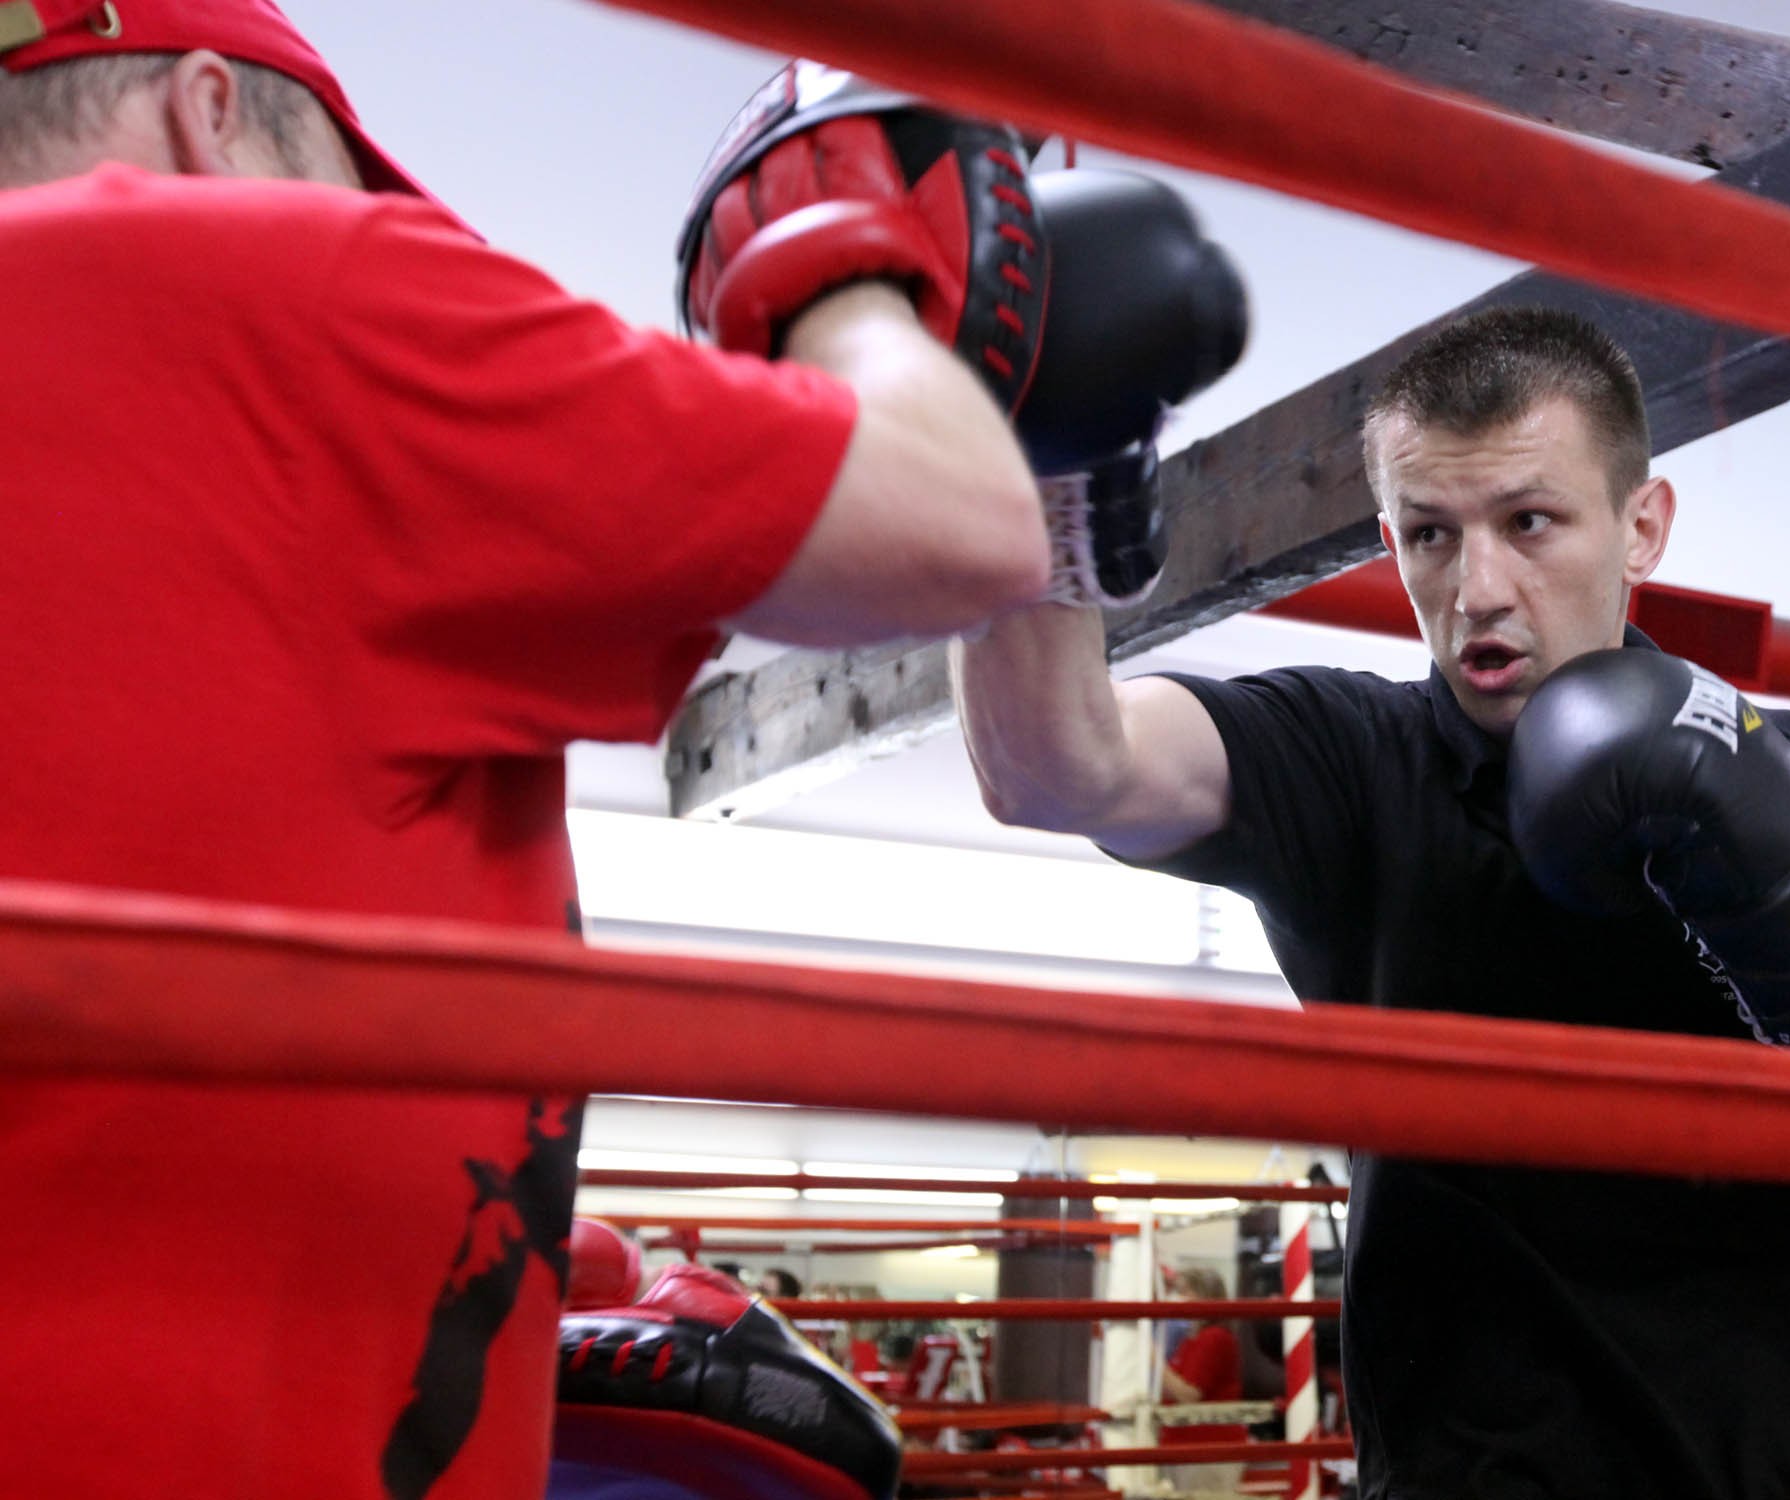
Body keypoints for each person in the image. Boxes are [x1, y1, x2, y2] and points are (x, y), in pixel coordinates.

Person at [0, 6, 1058, 1498]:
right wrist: (845, 264)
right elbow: (948, 522)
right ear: (209, 114)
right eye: (349, 184)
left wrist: (568, 1271)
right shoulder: (263, 292)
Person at [953, 305, 1790, 1497]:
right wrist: (1040, 477)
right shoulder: (1348, 763)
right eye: (1430, 535)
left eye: (1530, 522)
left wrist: (1778, 894)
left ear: (1642, 527)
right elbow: (1054, 766)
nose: (1477, 589)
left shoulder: (1786, 763)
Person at [1159, 1266, 1248, 1497]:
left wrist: (1151, 1358)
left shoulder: (1214, 1338)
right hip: (1189, 1448)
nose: (1180, 1299)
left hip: (1207, 1449)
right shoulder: (1193, 1339)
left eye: (1186, 1292)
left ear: (1205, 1296)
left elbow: (1189, 1394)